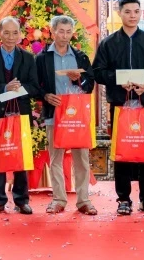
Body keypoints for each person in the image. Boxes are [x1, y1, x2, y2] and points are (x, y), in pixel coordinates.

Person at [93, 0, 144, 217]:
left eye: (136, 11)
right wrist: (118, 79)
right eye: (128, 12)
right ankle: (123, 199)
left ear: (140, 13)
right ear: (119, 13)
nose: (132, 16)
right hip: (120, 107)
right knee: (122, 154)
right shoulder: (108, 44)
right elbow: (98, 72)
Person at [0, 16, 42, 215]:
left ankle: (22, 200)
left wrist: (19, 89)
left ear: (21, 34)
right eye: (7, 32)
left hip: (20, 116)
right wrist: (5, 88)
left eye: (15, 32)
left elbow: (35, 87)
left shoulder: (29, 58)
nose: (11, 37)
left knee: (20, 158)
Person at [35, 15, 97, 215]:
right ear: (52, 32)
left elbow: (90, 85)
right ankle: (58, 199)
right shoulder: (42, 58)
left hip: (76, 116)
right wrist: (45, 96)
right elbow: (34, 85)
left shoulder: (80, 57)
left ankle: (84, 200)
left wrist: (79, 80)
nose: (64, 35)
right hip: (55, 114)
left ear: (72, 33)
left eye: (68, 31)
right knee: (55, 158)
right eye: (60, 31)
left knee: (82, 159)